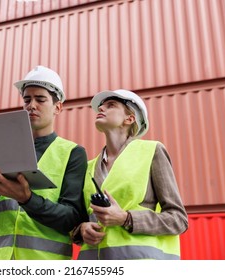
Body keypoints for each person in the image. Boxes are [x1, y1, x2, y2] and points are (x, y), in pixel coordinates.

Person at [0, 65, 88, 260]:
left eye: (40, 99)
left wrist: (27, 199)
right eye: (27, 99)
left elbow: (71, 219)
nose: (32, 105)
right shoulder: (0, 149)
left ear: (58, 107)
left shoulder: (73, 153)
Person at [73, 89, 188, 260]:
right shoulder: (88, 167)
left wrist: (125, 218)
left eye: (110, 105)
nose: (101, 109)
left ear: (130, 118)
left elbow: (178, 220)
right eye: (100, 107)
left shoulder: (151, 151)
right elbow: (79, 218)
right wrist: (81, 230)